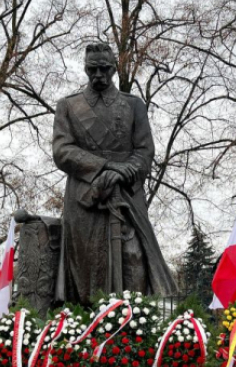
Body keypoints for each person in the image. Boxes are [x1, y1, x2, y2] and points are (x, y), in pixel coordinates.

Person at [52, 42, 177, 305]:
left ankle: (132, 328)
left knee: (134, 259)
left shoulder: (133, 106)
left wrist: (125, 171)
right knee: (87, 267)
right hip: (85, 196)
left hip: (127, 194)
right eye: (92, 70)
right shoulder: (68, 106)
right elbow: (62, 151)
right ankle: (84, 327)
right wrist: (106, 167)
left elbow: (145, 150)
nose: (98, 75)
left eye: (104, 69)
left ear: (113, 68)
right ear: (85, 69)